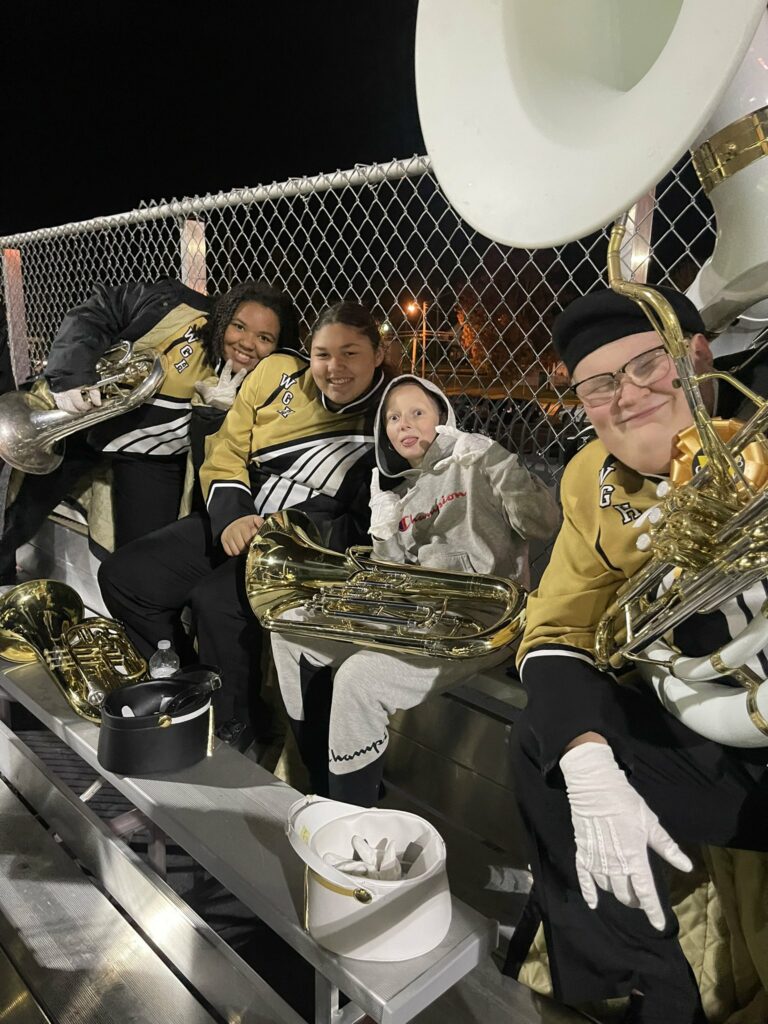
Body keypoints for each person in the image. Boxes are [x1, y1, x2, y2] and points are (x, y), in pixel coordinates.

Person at [505, 286, 768, 1024]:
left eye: (649, 365)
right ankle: (652, 987)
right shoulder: (591, 478)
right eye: (598, 384)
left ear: (698, 361)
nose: (626, 396)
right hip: (710, 735)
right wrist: (589, 762)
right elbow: (557, 626)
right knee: (543, 747)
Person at [98, 301, 389, 751]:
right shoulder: (276, 373)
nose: (334, 368)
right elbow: (228, 450)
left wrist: (285, 529)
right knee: (125, 576)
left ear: (379, 353)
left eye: (351, 353)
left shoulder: (393, 412)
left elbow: (369, 515)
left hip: (304, 546)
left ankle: (239, 724)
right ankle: (186, 683)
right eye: (323, 354)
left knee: (216, 601)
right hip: (239, 516)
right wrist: (233, 515)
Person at [270, 375, 560, 805]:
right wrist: (385, 533)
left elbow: (543, 523)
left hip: (485, 625)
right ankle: (324, 777)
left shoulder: (476, 461)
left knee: (358, 678)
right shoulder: (400, 495)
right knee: (289, 630)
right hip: (425, 621)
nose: (404, 424)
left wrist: (499, 461)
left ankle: (353, 815)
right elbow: (395, 581)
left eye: (417, 412)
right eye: (392, 418)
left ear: (442, 416)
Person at [0, 278, 299, 581]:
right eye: (239, 326)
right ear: (224, 316)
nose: (247, 343)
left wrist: (213, 417)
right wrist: (71, 372)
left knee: (141, 562)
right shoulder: (176, 305)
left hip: (151, 458)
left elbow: (215, 462)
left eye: (264, 337)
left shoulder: (270, 387)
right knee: (15, 516)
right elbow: (100, 309)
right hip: (80, 425)